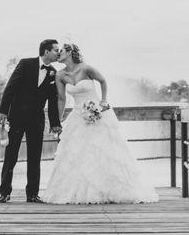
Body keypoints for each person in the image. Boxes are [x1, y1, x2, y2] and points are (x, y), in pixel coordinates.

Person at [41, 43, 159, 204]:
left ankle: (110, 189)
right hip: (77, 116)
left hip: (97, 113)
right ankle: (78, 191)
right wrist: (58, 121)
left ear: (69, 52)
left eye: (60, 51)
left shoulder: (87, 69)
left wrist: (102, 101)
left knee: (103, 151)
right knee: (76, 153)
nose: (58, 54)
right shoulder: (60, 75)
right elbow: (61, 99)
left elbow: (103, 81)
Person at [0, 39, 63, 203]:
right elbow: (10, 87)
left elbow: (53, 101)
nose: (58, 52)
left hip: (37, 120)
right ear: (46, 51)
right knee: (10, 155)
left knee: (35, 157)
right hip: (17, 117)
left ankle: (32, 194)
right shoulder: (26, 64)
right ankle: (5, 193)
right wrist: (3, 111)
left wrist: (55, 123)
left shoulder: (54, 72)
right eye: (56, 50)